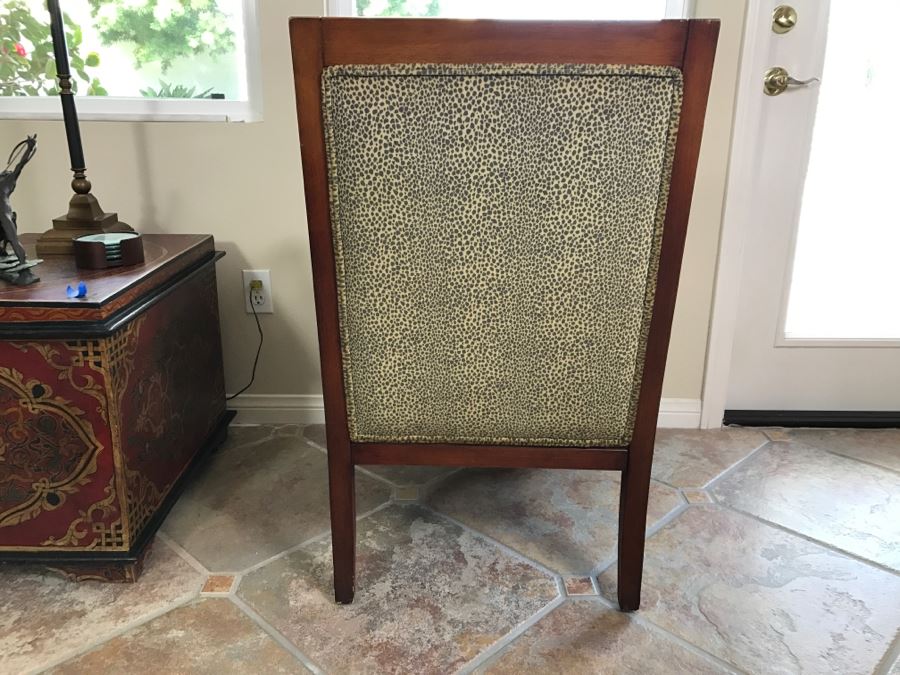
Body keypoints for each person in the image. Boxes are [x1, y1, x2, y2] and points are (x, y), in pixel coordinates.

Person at [0, 134, 38, 265]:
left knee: (12, 238)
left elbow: (21, 164)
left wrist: (29, 148)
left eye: (8, 173)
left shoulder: (8, 181)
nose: (6, 172)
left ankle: (22, 261)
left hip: (3, 212)